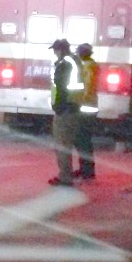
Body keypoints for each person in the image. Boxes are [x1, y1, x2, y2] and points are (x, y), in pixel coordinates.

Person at [48, 38, 84, 186]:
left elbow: (61, 88)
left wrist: (58, 107)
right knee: (67, 143)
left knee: (62, 144)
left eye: (56, 50)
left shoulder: (65, 64)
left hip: (65, 109)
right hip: (73, 107)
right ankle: (66, 175)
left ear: (61, 50)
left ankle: (65, 177)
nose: (55, 54)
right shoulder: (75, 61)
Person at [74, 43, 98, 180]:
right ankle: (85, 169)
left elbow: (87, 88)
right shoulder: (90, 65)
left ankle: (87, 171)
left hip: (84, 109)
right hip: (87, 108)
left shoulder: (88, 66)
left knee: (82, 141)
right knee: (83, 141)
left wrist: (77, 101)